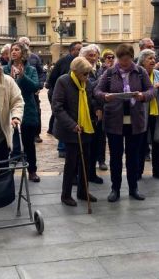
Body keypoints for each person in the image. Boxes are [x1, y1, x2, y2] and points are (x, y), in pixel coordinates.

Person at [94, 43, 153, 202]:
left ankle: (133, 188)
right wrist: (105, 96)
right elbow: (97, 91)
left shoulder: (140, 72)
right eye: (121, 59)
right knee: (115, 157)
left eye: (126, 59)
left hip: (136, 120)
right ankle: (115, 189)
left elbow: (151, 90)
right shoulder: (109, 73)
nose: (123, 63)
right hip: (114, 120)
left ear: (131, 58)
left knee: (133, 157)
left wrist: (142, 96)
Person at [52, 57, 97, 206]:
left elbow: (92, 101)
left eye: (88, 74)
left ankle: (83, 191)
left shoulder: (87, 83)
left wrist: (97, 109)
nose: (87, 77)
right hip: (70, 129)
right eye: (84, 74)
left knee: (86, 161)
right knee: (71, 163)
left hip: (86, 127)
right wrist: (72, 124)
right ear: (75, 72)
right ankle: (66, 195)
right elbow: (57, 107)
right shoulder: (63, 81)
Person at [3, 42, 40, 182]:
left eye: (17, 50)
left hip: (27, 110)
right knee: (9, 144)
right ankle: (8, 170)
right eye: (12, 50)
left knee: (29, 143)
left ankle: (32, 171)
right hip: (8, 110)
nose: (13, 52)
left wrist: (23, 76)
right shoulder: (4, 69)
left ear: (23, 53)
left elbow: (35, 86)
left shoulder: (30, 69)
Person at [137, 49, 159, 180]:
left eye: (153, 58)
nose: (153, 61)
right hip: (141, 114)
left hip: (157, 113)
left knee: (158, 142)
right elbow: (137, 93)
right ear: (142, 61)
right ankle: (138, 171)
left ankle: (158, 171)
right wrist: (155, 88)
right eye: (149, 58)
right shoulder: (138, 74)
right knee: (140, 144)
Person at [46, 41, 83, 157]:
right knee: (62, 118)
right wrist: (57, 90)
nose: (80, 51)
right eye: (78, 49)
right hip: (61, 94)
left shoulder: (81, 63)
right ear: (72, 50)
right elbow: (52, 78)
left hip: (75, 97)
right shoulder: (63, 61)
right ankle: (62, 147)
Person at [79, 45, 104, 184]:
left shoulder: (100, 70)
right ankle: (81, 175)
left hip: (98, 112)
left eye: (95, 55)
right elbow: (89, 90)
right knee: (83, 146)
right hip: (84, 111)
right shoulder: (80, 70)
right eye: (90, 55)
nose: (93, 58)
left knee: (96, 144)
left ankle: (92, 173)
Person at [19, 37, 46, 144]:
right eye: (22, 44)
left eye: (26, 44)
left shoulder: (35, 57)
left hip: (33, 90)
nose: (25, 45)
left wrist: (39, 86)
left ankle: (36, 134)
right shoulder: (15, 58)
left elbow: (42, 73)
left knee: (36, 111)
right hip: (19, 90)